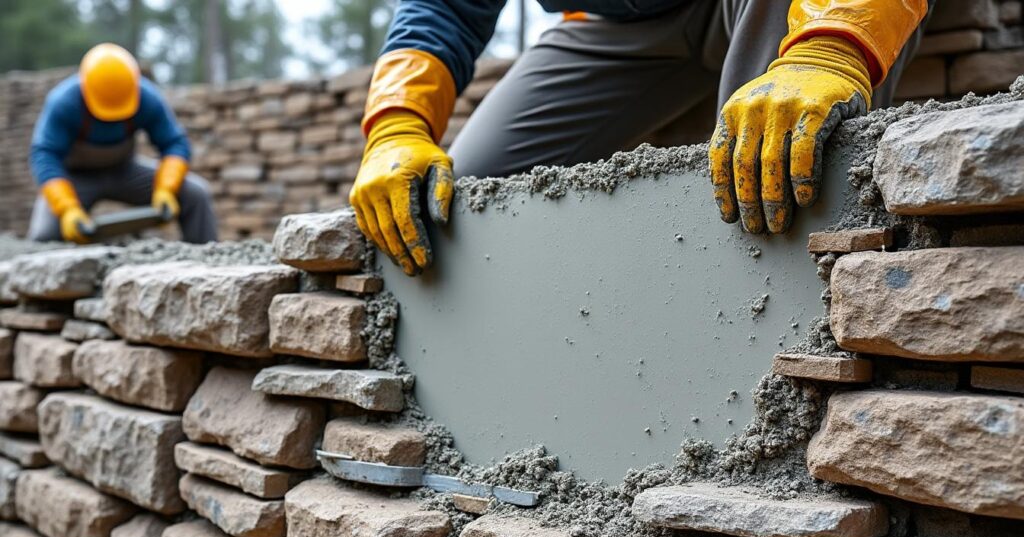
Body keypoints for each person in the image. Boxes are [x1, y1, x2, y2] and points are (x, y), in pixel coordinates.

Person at [350, 0, 930, 276]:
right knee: (465, 201)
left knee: (777, 158)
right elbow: (444, 8)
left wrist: (831, 47)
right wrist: (397, 124)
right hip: (620, 21)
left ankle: (801, 370)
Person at [28, 43, 217, 244]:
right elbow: (44, 154)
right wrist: (67, 208)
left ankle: (206, 256)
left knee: (196, 195)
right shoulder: (64, 103)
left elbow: (175, 143)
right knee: (45, 234)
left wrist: (166, 188)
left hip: (125, 171)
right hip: (76, 179)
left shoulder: (147, 98)